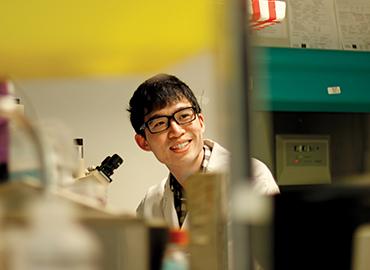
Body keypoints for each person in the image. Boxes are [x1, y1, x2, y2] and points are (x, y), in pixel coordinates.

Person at [127, 73, 279, 229]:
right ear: (143, 142)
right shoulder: (151, 204)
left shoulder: (250, 179)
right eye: (159, 123)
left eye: (184, 116)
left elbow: (267, 251)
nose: (176, 131)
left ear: (200, 122)